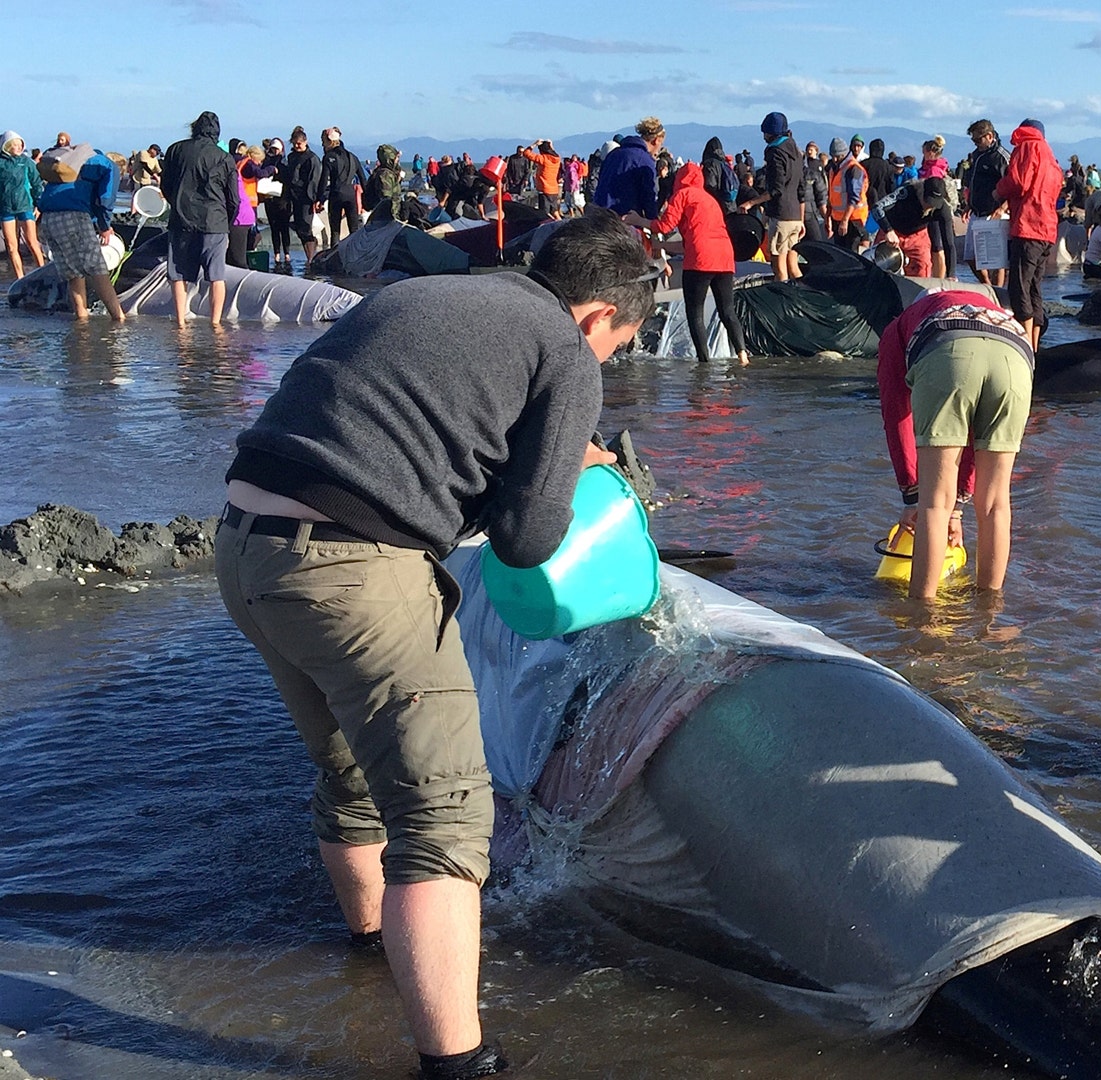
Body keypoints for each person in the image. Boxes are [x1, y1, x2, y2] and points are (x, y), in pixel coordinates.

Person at [215, 210, 655, 1080]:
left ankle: (374, 951)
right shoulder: (564, 352)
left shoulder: (432, 292)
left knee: (351, 771)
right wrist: (579, 470)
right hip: (354, 572)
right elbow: (528, 542)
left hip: (244, 545)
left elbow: (400, 428)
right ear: (599, 315)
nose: (609, 360)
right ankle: (459, 1063)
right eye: (621, 345)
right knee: (447, 819)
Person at [877, 289, 1033, 601]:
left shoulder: (897, 329)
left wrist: (911, 496)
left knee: (934, 503)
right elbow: (973, 438)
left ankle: (923, 619)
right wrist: (959, 508)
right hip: (1016, 353)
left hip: (948, 349)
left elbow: (896, 417)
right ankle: (990, 612)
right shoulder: (988, 306)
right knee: (996, 503)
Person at [635, 163, 749, 366]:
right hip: (724, 256)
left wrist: (638, 220)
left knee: (695, 311)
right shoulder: (710, 200)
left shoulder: (683, 194)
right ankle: (743, 357)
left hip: (699, 261)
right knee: (727, 311)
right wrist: (661, 245)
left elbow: (664, 225)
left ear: (680, 179)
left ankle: (703, 362)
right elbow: (691, 241)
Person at [161, 110, 238, 325]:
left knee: (178, 274)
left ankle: (180, 322)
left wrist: (177, 204)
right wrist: (226, 222)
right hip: (215, 222)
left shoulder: (175, 150)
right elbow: (233, 198)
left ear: (194, 128)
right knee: (216, 276)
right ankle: (215, 323)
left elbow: (166, 186)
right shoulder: (224, 157)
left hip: (181, 219)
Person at [35, 142, 126, 321]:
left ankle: (81, 317)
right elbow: (106, 200)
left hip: (48, 218)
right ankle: (118, 317)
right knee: (97, 268)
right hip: (73, 216)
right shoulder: (110, 167)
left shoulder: (77, 162)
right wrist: (105, 227)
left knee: (73, 272)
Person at [994, 118, 1061, 349]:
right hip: (1047, 229)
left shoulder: (1026, 147)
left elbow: (1019, 182)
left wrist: (998, 191)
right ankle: (1034, 347)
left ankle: (1022, 346)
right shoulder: (1051, 157)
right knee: (1034, 287)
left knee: (1019, 286)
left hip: (1028, 225)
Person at [742, 112, 803, 281]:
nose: (764, 137)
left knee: (779, 269)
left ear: (770, 133)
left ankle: (783, 303)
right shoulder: (797, 152)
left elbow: (776, 189)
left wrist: (751, 202)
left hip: (781, 215)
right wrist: (802, 219)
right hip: (796, 216)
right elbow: (801, 189)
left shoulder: (775, 152)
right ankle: (804, 299)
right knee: (794, 266)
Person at [961, 119, 1011, 287]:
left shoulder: (1002, 157)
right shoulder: (976, 154)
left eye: (978, 140)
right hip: (976, 210)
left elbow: (1014, 184)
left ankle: (998, 292)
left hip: (995, 212)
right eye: (973, 140)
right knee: (970, 256)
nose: (976, 144)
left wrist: (1003, 207)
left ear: (989, 136)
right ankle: (987, 285)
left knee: (995, 259)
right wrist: (969, 203)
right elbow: (976, 183)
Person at [594, 118, 667, 222]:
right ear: (657, 140)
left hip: (599, 215)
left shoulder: (613, 154)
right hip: (622, 220)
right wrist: (653, 222)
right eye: (661, 144)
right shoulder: (645, 161)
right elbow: (648, 197)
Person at [0, 130, 47, 280]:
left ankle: (43, 272)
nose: (19, 147)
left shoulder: (27, 162)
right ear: (7, 146)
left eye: (21, 144)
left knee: (32, 242)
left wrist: (38, 205)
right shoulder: (1, 163)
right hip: (6, 209)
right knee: (12, 246)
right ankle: (20, 278)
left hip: (26, 206)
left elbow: (36, 184)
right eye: (15, 145)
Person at [283, 127, 323, 265]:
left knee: (305, 227)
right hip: (295, 196)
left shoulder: (312, 158)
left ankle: (311, 258)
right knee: (300, 228)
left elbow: (314, 179)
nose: (296, 146)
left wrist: (315, 198)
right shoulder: (292, 157)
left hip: (307, 197)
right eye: (294, 143)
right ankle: (309, 256)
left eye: (299, 143)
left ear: (305, 142)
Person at [257, 138, 296, 272]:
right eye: (272, 149)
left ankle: (286, 253)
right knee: (274, 227)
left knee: (284, 228)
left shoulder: (285, 163)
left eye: (276, 149)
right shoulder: (267, 162)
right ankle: (277, 254)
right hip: (271, 199)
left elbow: (290, 181)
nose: (274, 151)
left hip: (283, 200)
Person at [317, 128, 363, 244]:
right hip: (350, 195)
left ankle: (335, 256)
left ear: (329, 141)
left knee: (335, 231)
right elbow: (363, 179)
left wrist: (320, 199)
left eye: (323, 141)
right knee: (354, 230)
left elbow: (323, 180)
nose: (322, 144)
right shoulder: (353, 157)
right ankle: (355, 256)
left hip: (336, 194)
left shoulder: (328, 157)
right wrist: (367, 200)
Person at [826, 137, 869, 251]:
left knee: (851, 253)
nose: (835, 159)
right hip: (838, 218)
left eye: (838, 156)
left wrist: (845, 221)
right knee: (840, 253)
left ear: (844, 154)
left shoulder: (853, 169)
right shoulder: (834, 169)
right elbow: (832, 195)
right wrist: (828, 217)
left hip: (853, 219)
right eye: (832, 155)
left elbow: (854, 198)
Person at [230, 142, 259, 270]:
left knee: (237, 260)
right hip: (246, 213)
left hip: (239, 217)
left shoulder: (240, 165)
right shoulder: (240, 165)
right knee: (234, 258)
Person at [518, 140, 563, 218]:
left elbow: (526, 153)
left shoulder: (543, 159)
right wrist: (551, 145)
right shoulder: (557, 159)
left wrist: (534, 144)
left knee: (545, 213)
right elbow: (553, 153)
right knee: (554, 211)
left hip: (544, 189)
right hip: (554, 189)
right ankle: (560, 224)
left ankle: (552, 226)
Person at [366, 144, 405, 222]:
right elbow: (386, 199)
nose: (397, 160)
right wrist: (393, 217)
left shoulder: (385, 172)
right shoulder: (385, 175)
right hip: (386, 217)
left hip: (386, 215)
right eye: (396, 157)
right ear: (389, 159)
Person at [801, 141, 830, 241]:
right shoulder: (808, 171)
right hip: (809, 211)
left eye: (811, 150)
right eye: (808, 149)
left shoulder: (818, 165)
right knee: (816, 241)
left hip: (805, 210)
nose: (809, 151)